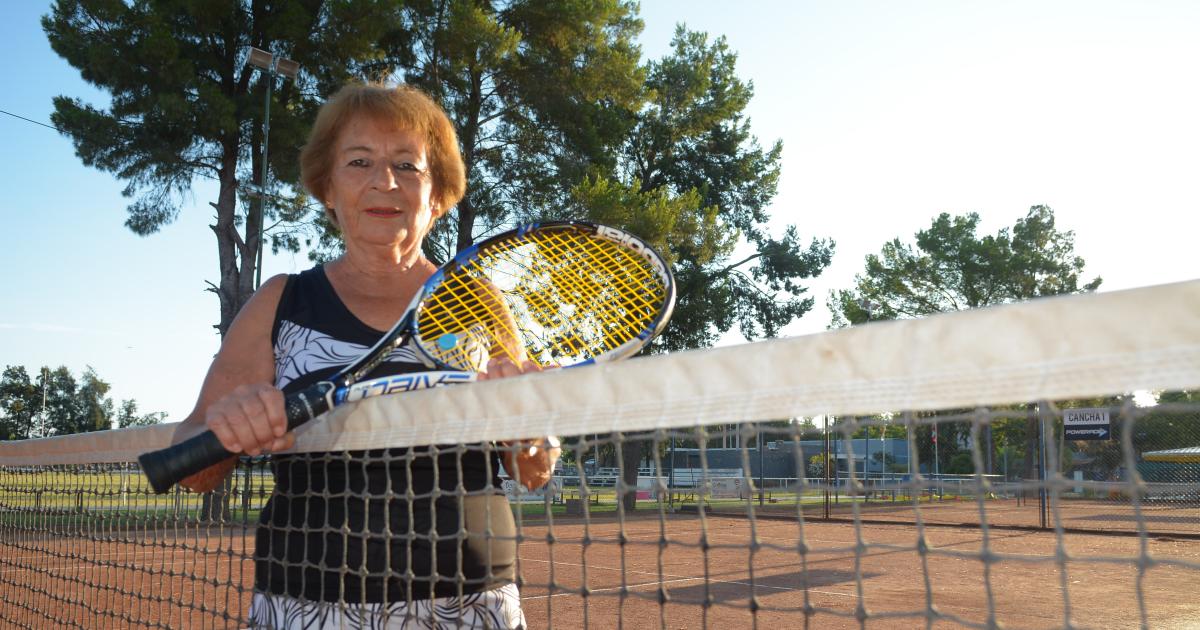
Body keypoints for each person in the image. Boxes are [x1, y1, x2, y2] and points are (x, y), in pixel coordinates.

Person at [175, 82, 560, 629]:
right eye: (360, 162)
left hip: (471, 609)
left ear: (438, 196)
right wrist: (225, 429)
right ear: (328, 188)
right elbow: (194, 469)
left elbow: (533, 468)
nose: (385, 181)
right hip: (306, 608)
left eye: (408, 165)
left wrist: (532, 431)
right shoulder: (280, 303)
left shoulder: (479, 304)